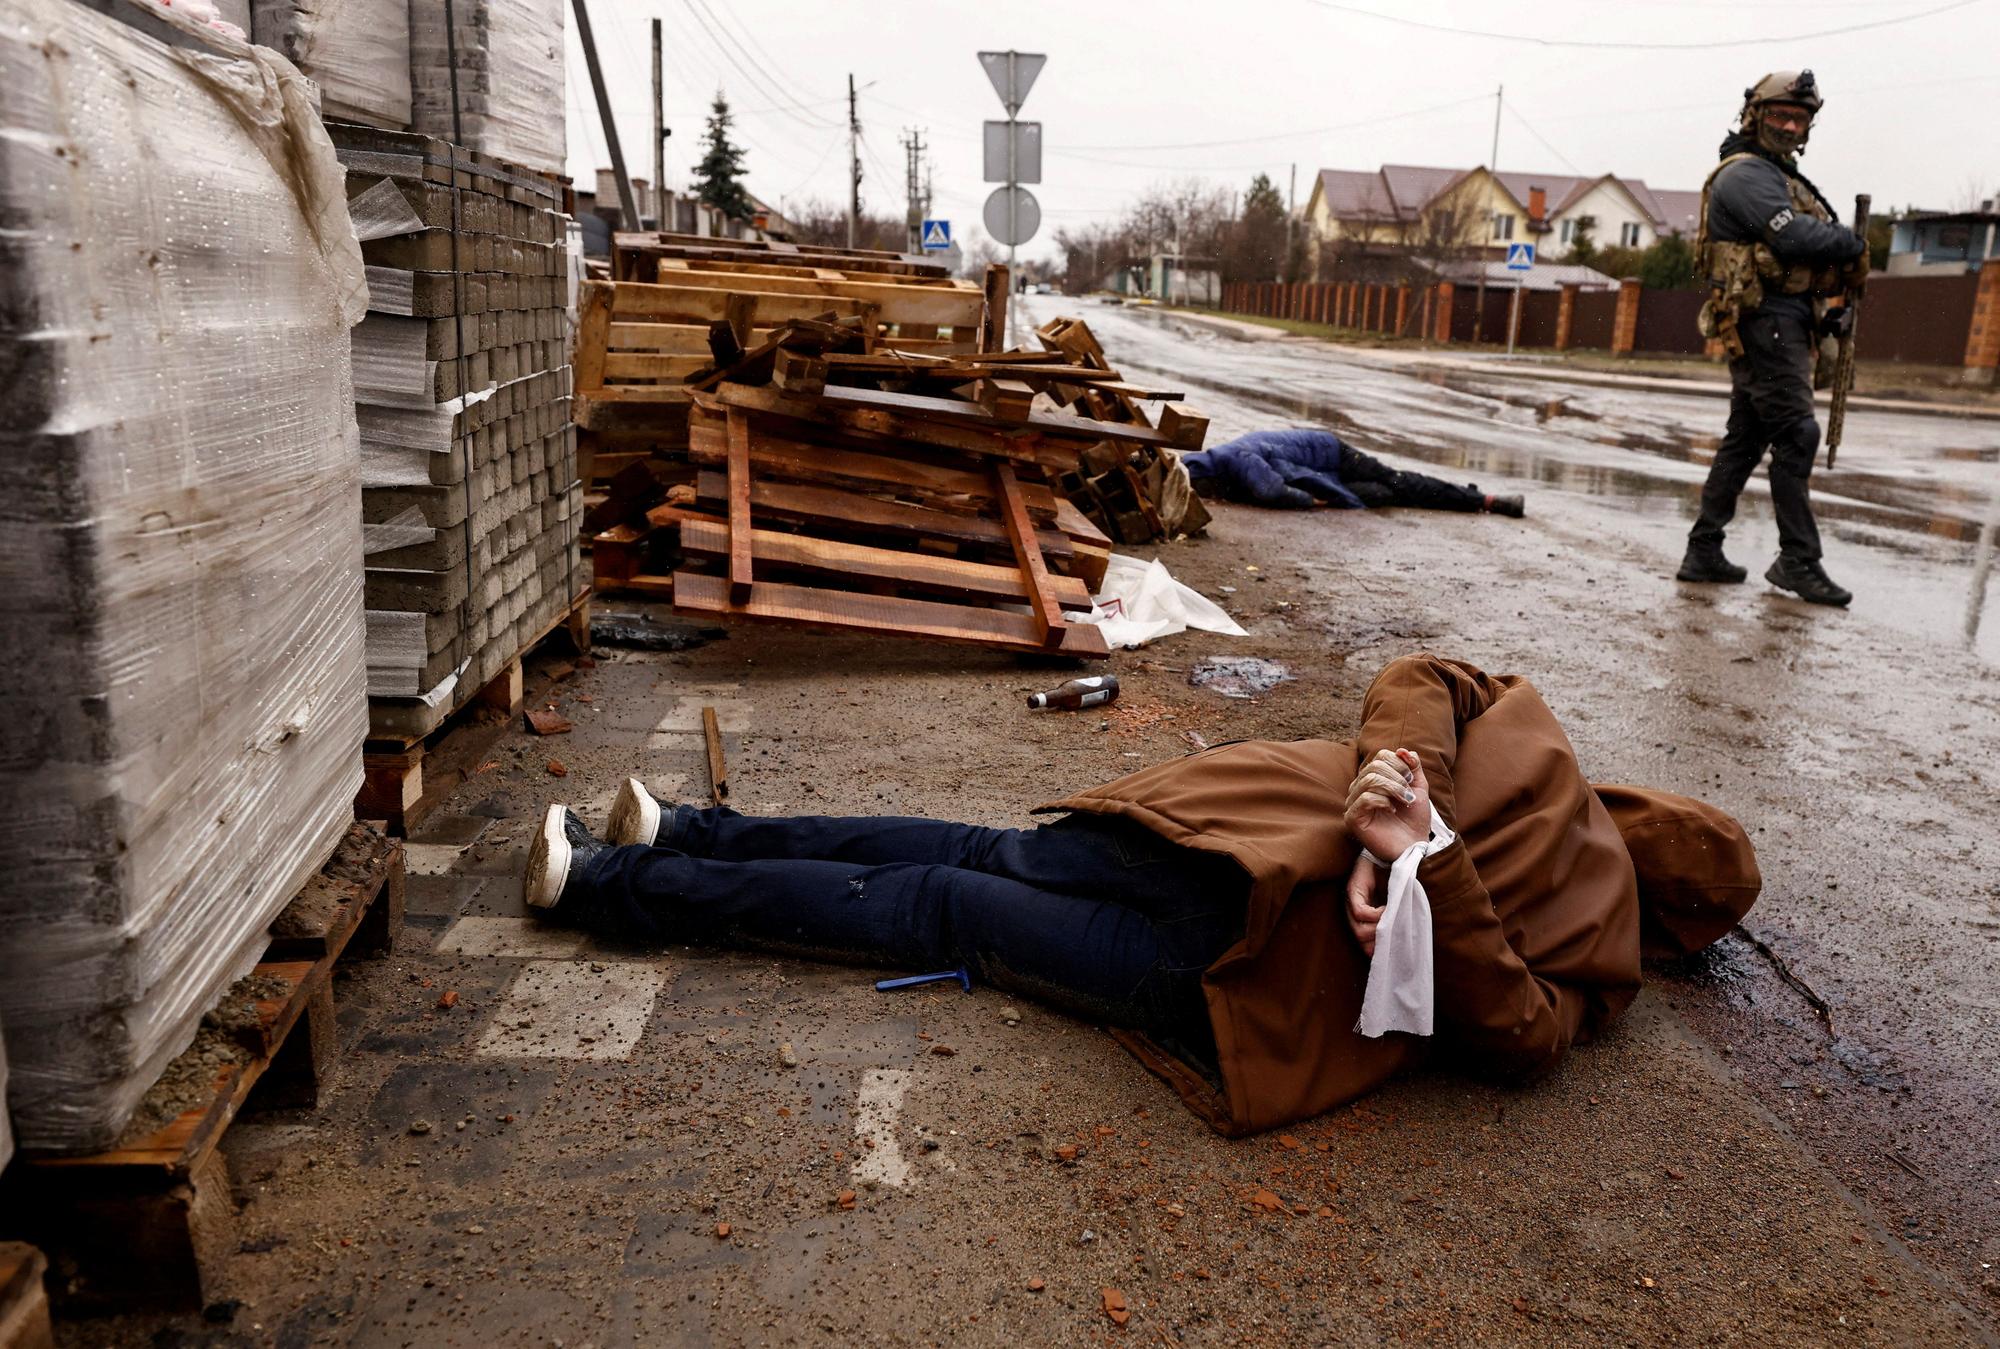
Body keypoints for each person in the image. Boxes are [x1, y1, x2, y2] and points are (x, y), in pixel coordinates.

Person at [524, 655, 1760, 1136]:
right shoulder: (1596, 912)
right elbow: (1522, 1038)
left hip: (1217, 859)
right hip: (1230, 953)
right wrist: (1413, 839)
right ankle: (613, 875)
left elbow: (1420, 676)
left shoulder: (1538, 747)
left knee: (966, 855)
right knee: (946, 901)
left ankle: (677, 830)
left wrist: (1415, 824)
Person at [1678, 69, 1869, 606]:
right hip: (1765, 322)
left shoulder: (1777, 174)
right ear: (1755, 117)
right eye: (1780, 115)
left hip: (1782, 318)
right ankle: (1798, 560)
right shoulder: (1745, 175)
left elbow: (1801, 249)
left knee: (1746, 438)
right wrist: (1851, 243)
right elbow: (1792, 234)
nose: (1789, 126)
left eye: (1799, 118)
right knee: (1798, 434)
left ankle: (1703, 550)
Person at [1183, 428, 1525, 517]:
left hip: (1334, 455)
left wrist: (1310, 501)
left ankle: (1485, 499)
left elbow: (1270, 489)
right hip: (1326, 474)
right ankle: (1459, 497)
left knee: (1399, 482)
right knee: (1390, 494)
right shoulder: (1225, 462)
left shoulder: (1233, 456)